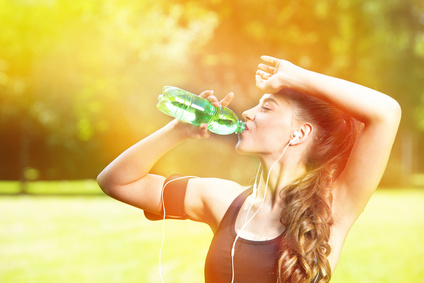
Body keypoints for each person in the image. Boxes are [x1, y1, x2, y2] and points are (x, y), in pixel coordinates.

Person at [97, 55, 401, 283]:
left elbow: (386, 113)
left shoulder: (332, 208)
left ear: (299, 133)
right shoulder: (222, 200)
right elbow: (116, 182)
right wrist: (176, 131)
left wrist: (296, 77)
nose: (247, 112)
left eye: (266, 107)